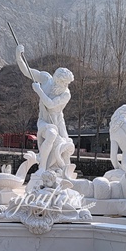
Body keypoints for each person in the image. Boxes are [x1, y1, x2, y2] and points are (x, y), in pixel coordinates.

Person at [15, 44, 75, 173]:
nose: (57, 83)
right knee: (52, 134)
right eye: (57, 80)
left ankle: (62, 172)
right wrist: (18, 57)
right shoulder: (47, 79)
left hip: (58, 123)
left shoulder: (65, 94)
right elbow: (28, 72)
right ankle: (42, 167)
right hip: (44, 122)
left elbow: (51, 104)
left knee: (66, 147)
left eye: (61, 82)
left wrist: (39, 91)